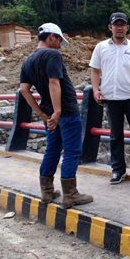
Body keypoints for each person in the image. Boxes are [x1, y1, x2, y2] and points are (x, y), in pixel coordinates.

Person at [19, 23, 93, 208]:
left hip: (49, 114)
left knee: (52, 149)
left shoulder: (28, 60)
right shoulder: (52, 55)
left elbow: (24, 90)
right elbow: (54, 82)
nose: (60, 44)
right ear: (51, 37)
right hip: (66, 111)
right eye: (59, 39)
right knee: (72, 151)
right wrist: (58, 110)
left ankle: (47, 192)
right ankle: (70, 194)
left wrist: (44, 114)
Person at [90, 12, 130, 184]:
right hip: (111, 99)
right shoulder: (101, 47)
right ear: (110, 27)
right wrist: (95, 90)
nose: (119, 27)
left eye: (122, 24)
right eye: (116, 24)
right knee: (115, 135)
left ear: (127, 27)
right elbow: (95, 71)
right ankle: (118, 170)